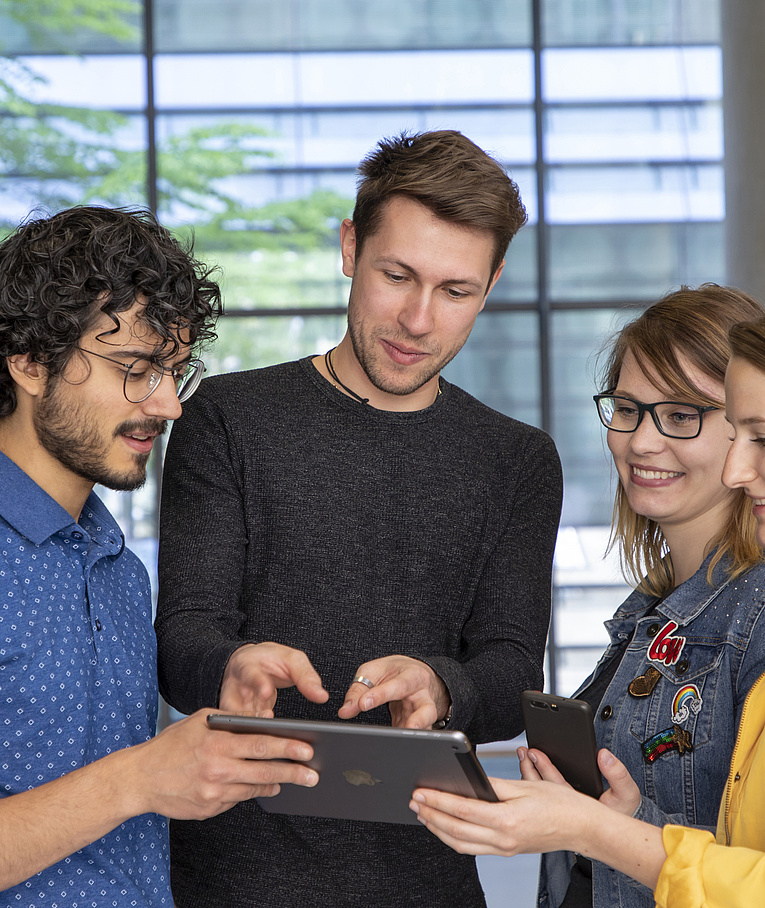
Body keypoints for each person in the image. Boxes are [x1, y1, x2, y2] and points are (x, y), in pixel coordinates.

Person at [154, 129, 563, 908]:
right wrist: (231, 667)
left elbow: (512, 671)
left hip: (427, 882)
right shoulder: (229, 420)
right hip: (232, 877)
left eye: (456, 290)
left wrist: (444, 687)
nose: (417, 319)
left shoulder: (516, 460)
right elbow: (184, 636)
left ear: (494, 282)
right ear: (349, 247)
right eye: (396, 275)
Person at [412, 283, 765, 907]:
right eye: (626, 408)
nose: (642, 441)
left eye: (683, 416)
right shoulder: (656, 606)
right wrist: (605, 822)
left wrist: (596, 829)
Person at [0, 206, 323, 907]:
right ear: (28, 360)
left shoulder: (118, 565)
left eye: (174, 371)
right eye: (137, 369)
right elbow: (127, 783)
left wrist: (206, 736)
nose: (170, 405)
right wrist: (141, 777)